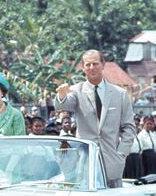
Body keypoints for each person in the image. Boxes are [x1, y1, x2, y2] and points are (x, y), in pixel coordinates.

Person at [55, 50, 135, 187]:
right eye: (88, 64)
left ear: (103, 65)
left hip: (112, 159)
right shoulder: (76, 91)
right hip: (86, 160)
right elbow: (64, 105)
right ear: (83, 67)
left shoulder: (119, 94)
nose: (92, 68)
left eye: (95, 64)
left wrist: (121, 153)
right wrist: (61, 95)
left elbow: (129, 127)